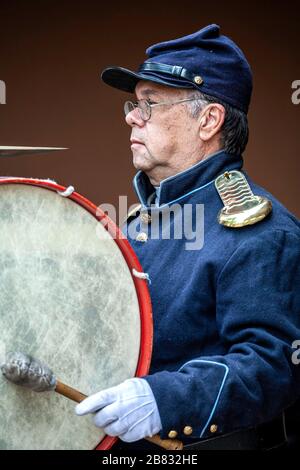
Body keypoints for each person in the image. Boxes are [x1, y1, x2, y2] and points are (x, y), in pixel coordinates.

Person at [75, 24, 300, 450]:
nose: (130, 116)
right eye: (133, 104)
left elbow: (274, 366)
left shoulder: (264, 233)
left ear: (209, 120)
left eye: (150, 104)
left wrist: (165, 400)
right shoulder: (138, 223)